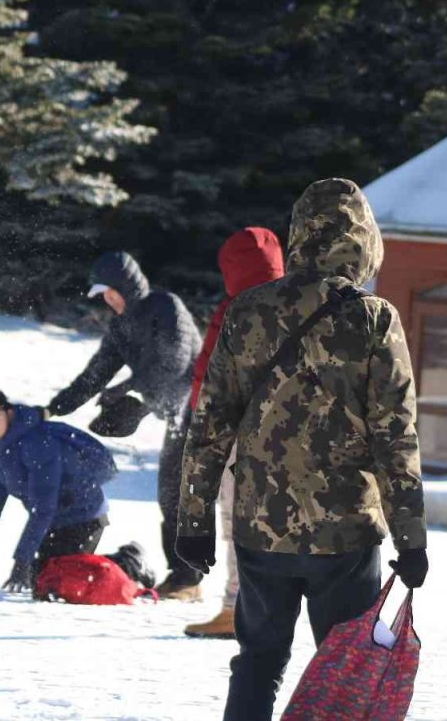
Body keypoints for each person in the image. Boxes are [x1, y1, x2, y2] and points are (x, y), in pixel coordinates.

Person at [177, 179, 428, 721]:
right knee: (341, 671)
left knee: (257, 662)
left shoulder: (248, 310)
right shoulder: (374, 318)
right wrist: (411, 539)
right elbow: (395, 437)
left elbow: (210, 424)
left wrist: (193, 522)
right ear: (363, 240)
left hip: (261, 526)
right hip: (345, 532)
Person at [45, 252, 203, 600]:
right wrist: (53, 408)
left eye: (109, 291)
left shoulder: (165, 307)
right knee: (171, 495)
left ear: (126, 286)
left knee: (187, 495)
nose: (106, 299)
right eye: (102, 293)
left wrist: (129, 391)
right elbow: (96, 373)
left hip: (207, 407)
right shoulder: (121, 326)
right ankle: (184, 576)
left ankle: (191, 578)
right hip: (177, 415)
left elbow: (172, 362)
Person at [183, 228, 286, 640]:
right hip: (290, 436)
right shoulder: (299, 305)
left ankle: (235, 609)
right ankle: (275, 608)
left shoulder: (233, 310)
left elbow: (207, 375)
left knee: (237, 525)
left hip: (239, 436)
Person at [0, 389, 117, 595]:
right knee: (41, 581)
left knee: (62, 583)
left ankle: (128, 562)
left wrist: (22, 561)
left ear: (9, 413)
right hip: (53, 522)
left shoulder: (37, 442)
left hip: (84, 516)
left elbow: (43, 507)